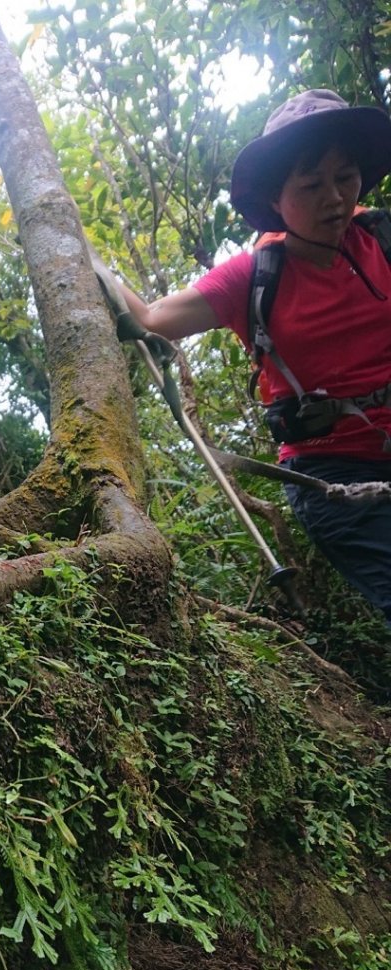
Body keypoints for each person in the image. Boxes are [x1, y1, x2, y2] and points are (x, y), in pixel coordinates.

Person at [118, 89, 391, 626]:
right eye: (311, 185)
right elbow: (152, 320)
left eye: (346, 176)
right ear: (275, 199)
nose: (334, 197)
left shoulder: (382, 239)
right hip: (333, 476)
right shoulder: (252, 278)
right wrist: (80, 247)